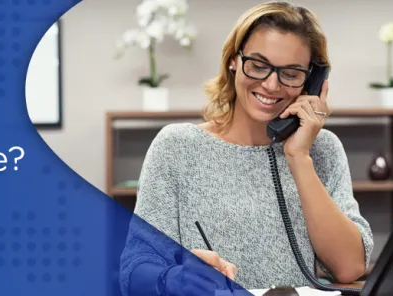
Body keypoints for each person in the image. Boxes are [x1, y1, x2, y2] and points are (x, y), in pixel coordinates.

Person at [118, 1, 374, 295]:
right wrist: (173, 278)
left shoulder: (322, 149)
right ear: (233, 61)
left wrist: (298, 157)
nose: (271, 84)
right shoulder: (177, 147)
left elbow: (350, 267)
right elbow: (135, 269)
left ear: (312, 82)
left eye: (290, 73)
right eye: (258, 65)